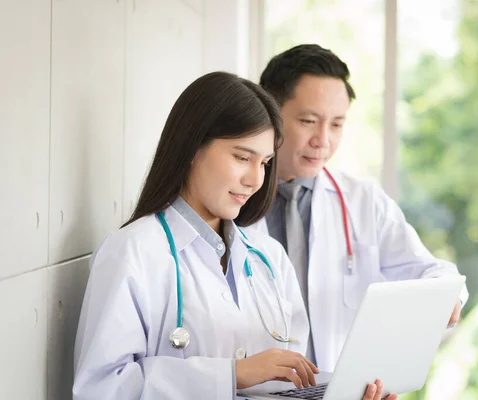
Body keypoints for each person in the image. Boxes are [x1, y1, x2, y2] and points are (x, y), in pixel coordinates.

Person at [72, 72, 318, 399]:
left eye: (265, 162)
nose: (255, 179)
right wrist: (230, 375)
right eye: (242, 157)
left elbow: (293, 378)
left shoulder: (269, 257)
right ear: (192, 148)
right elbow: (102, 388)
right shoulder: (133, 252)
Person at [253, 44, 469, 373]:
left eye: (337, 124)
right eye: (309, 121)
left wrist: (446, 297)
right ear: (270, 114)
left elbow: (431, 272)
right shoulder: (234, 199)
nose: (323, 140)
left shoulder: (364, 201)